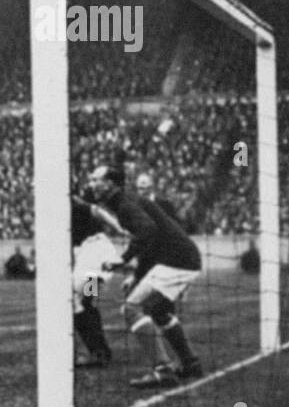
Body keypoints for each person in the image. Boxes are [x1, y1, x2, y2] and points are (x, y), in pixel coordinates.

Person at [86, 164, 203, 389]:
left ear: (110, 184)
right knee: (159, 311)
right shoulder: (125, 202)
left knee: (130, 309)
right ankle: (190, 363)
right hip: (182, 258)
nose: (91, 183)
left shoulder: (124, 205)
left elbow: (148, 232)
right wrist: (138, 274)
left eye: (95, 179)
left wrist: (124, 258)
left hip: (175, 261)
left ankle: (163, 369)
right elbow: (152, 239)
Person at [70, 194, 120, 368]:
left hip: (93, 256)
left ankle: (98, 352)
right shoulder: (75, 207)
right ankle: (101, 351)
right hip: (99, 259)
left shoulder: (70, 207)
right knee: (86, 302)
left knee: (76, 303)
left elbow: (96, 210)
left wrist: (119, 228)